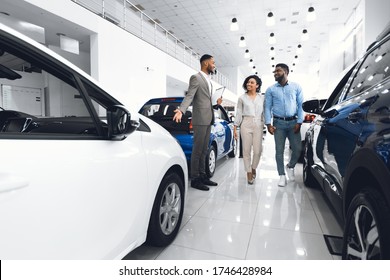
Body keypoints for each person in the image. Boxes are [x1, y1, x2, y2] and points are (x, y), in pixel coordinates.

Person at [173, 54, 222, 191]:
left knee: (204, 149)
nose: (214, 65)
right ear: (206, 63)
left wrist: (216, 103)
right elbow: (190, 95)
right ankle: (195, 179)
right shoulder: (196, 78)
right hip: (200, 119)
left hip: (208, 118)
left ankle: (203, 176)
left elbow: (206, 101)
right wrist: (181, 110)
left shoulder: (208, 80)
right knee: (197, 149)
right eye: (213, 63)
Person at [264, 63, 304, 187]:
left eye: (278, 71)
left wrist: (299, 121)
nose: (275, 73)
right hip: (278, 123)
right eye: (274, 71)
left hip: (293, 123)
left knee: (298, 149)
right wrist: (268, 124)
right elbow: (267, 107)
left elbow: (300, 104)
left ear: (286, 72)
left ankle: (290, 166)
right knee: (279, 151)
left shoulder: (296, 87)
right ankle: (281, 175)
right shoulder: (271, 89)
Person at [233, 75, 264, 184]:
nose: (248, 84)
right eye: (247, 82)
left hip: (258, 124)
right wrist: (235, 128)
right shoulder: (242, 98)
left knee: (258, 150)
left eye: (251, 82)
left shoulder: (262, 98)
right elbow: (239, 113)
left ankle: (254, 167)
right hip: (245, 123)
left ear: (257, 85)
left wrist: (267, 124)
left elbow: (264, 113)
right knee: (246, 150)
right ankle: (249, 172)